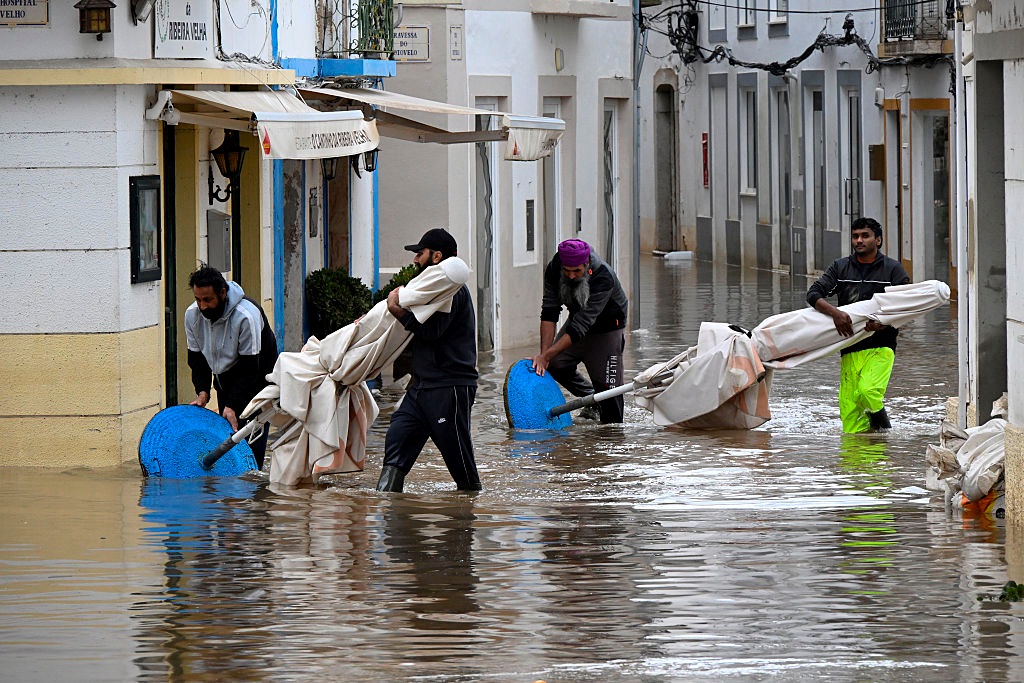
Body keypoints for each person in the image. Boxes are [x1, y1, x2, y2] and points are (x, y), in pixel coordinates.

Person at [377, 228, 480, 493]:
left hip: (449, 388)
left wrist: (396, 310)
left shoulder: (451, 292)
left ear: (436, 256)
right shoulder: (429, 292)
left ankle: (468, 513)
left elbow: (432, 331)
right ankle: (389, 510)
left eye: (419, 254)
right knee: (397, 439)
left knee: (460, 463)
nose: (415, 260)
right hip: (420, 387)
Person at [806, 217, 910, 434]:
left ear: (878, 240)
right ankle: (857, 462)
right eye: (855, 236)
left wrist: (882, 324)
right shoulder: (840, 268)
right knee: (850, 413)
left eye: (865, 236)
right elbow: (814, 294)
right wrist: (835, 313)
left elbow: (905, 306)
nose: (859, 240)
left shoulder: (893, 270)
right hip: (850, 345)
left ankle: (884, 435)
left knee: (868, 391)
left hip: (882, 345)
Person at [185, 264, 278, 469]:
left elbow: (249, 368)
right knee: (228, 435)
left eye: (208, 300)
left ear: (223, 293)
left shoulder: (246, 315)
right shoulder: (192, 316)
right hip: (224, 376)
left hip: (258, 377)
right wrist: (202, 392)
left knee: (251, 436)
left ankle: (253, 484)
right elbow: (197, 359)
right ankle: (229, 492)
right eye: (198, 299)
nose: (202, 306)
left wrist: (233, 405)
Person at [529, 239, 629, 423]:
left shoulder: (603, 275)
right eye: (566, 271)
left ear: (587, 264)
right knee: (556, 364)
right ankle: (592, 399)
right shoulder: (554, 269)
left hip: (608, 326)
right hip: (577, 319)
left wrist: (547, 355)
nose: (571, 276)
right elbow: (549, 311)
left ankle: (613, 438)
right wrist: (544, 356)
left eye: (577, 271)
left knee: (609, 390)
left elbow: (582, 325)